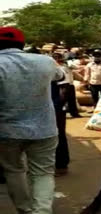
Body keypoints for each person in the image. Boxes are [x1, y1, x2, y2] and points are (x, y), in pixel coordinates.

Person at [0, 27, 64, 214]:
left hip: (6, 130)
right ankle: (42, 211)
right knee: (43, 173)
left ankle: (25, 209)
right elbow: (59, 76)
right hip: (44, 128)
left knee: (13, 170)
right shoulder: (45, 61)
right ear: (22, 43)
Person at [52, 52, 71, 176]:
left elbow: (65, 89)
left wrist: (58, 106)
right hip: (48, 107)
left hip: (56, 108)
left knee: (59, 135)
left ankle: (61, 165)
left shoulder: (59, 70)